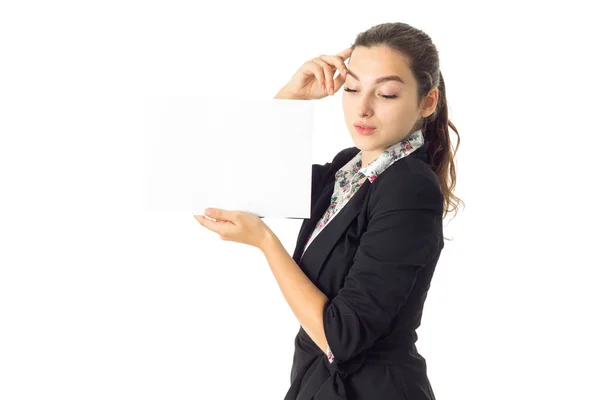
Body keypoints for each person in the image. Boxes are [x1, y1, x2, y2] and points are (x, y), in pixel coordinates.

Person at [274, 22, 463, 400]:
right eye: (352, 88)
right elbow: (249, 187)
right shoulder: (349, 169)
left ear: (427, 101)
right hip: (317, 385)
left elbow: (342, 336)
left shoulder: (409, 188)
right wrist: (292, 96)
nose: (363, 107)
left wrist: (266, 244)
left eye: (387, 93)